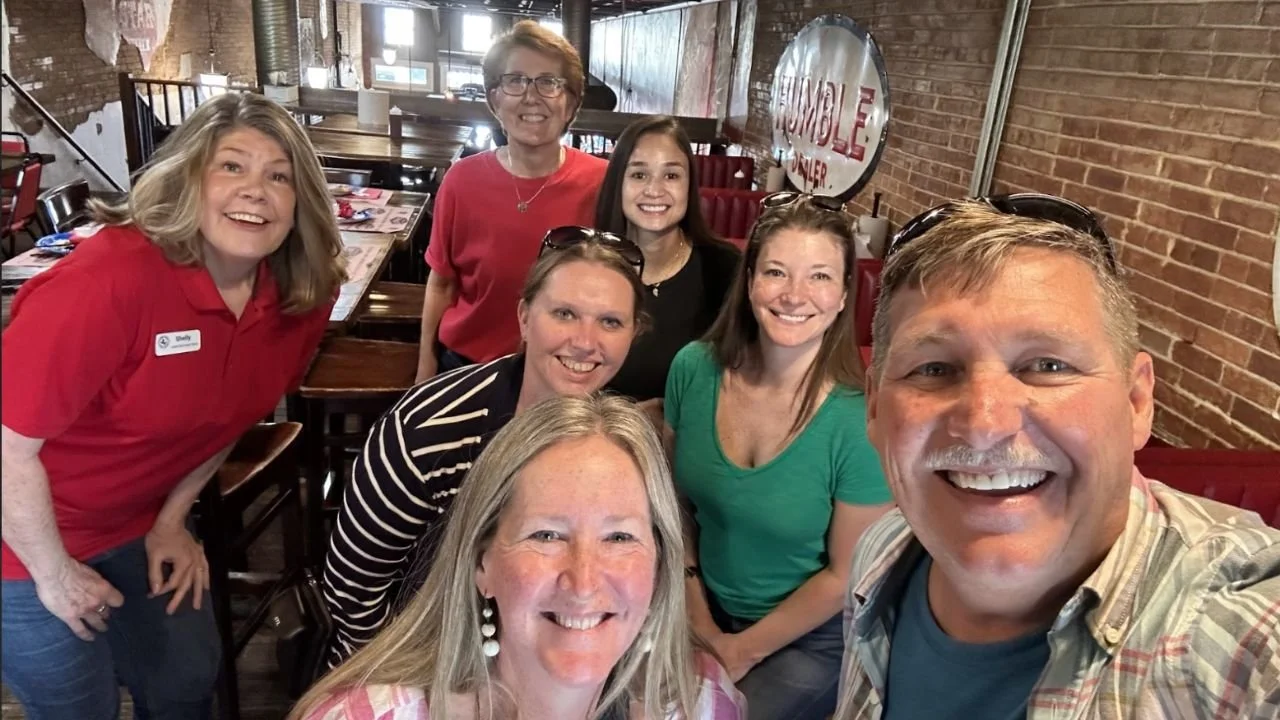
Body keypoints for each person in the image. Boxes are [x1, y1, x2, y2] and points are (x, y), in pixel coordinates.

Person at [834, 195, 1280, 719]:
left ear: (1137, 402)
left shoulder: (1236, 638)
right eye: (933, 369)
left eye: (1047, 365)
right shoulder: (883, 556)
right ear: (874, 407)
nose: (984, 426)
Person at [0, 92, 344, 719]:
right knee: (81, 709)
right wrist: (53, 574)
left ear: (302, 203)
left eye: (279, 176)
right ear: (188, 178)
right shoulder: (109, 280)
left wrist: (171, 519)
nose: (255, 191)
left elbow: (228, 419)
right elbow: (6, 449)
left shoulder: (301, 297)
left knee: (188, 679)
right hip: (20, 537)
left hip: (135, 520)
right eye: (231, 166)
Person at [294, 394, 746, 720]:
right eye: (546, 534)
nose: (584, 580)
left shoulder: (701, 702)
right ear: (481, 563)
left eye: (619, 537)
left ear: (660, 563)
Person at [324, 228, 649, 666]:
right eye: (565, 314)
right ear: (524, 317)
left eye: (610, 321)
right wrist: (408, 685)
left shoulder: (615, 447)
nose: (585, 341)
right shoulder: (426, 433)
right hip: (417, 660)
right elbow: (351, 590)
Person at [664, 193, 894, 720]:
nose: (794, 295)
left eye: (819, 277)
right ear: (749, 285)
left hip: (810, 637)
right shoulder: (693, 369)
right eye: (775, 272)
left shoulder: (857, 419)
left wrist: (740, 650)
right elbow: (674, 503)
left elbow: (845, 576)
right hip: (698, 602)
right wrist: (697, 611)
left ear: (842, 296)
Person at [418, 20, 608, 381]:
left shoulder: (601, 183)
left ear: (570, 105)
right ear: (494, 99)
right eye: (515, 80)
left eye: (549, 82)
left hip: (564, 371)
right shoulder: (461, 180)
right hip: (465, 366)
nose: (531, 96)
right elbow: (442, 283)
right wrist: (425, 363)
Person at [594, 115, 741, 402]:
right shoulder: (589, 265)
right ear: (618, 183)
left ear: (690, 185)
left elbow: (743, 375)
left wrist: (672, 414)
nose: (655, 190)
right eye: (639, 174)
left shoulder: (725, 269)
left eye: (671, 175)